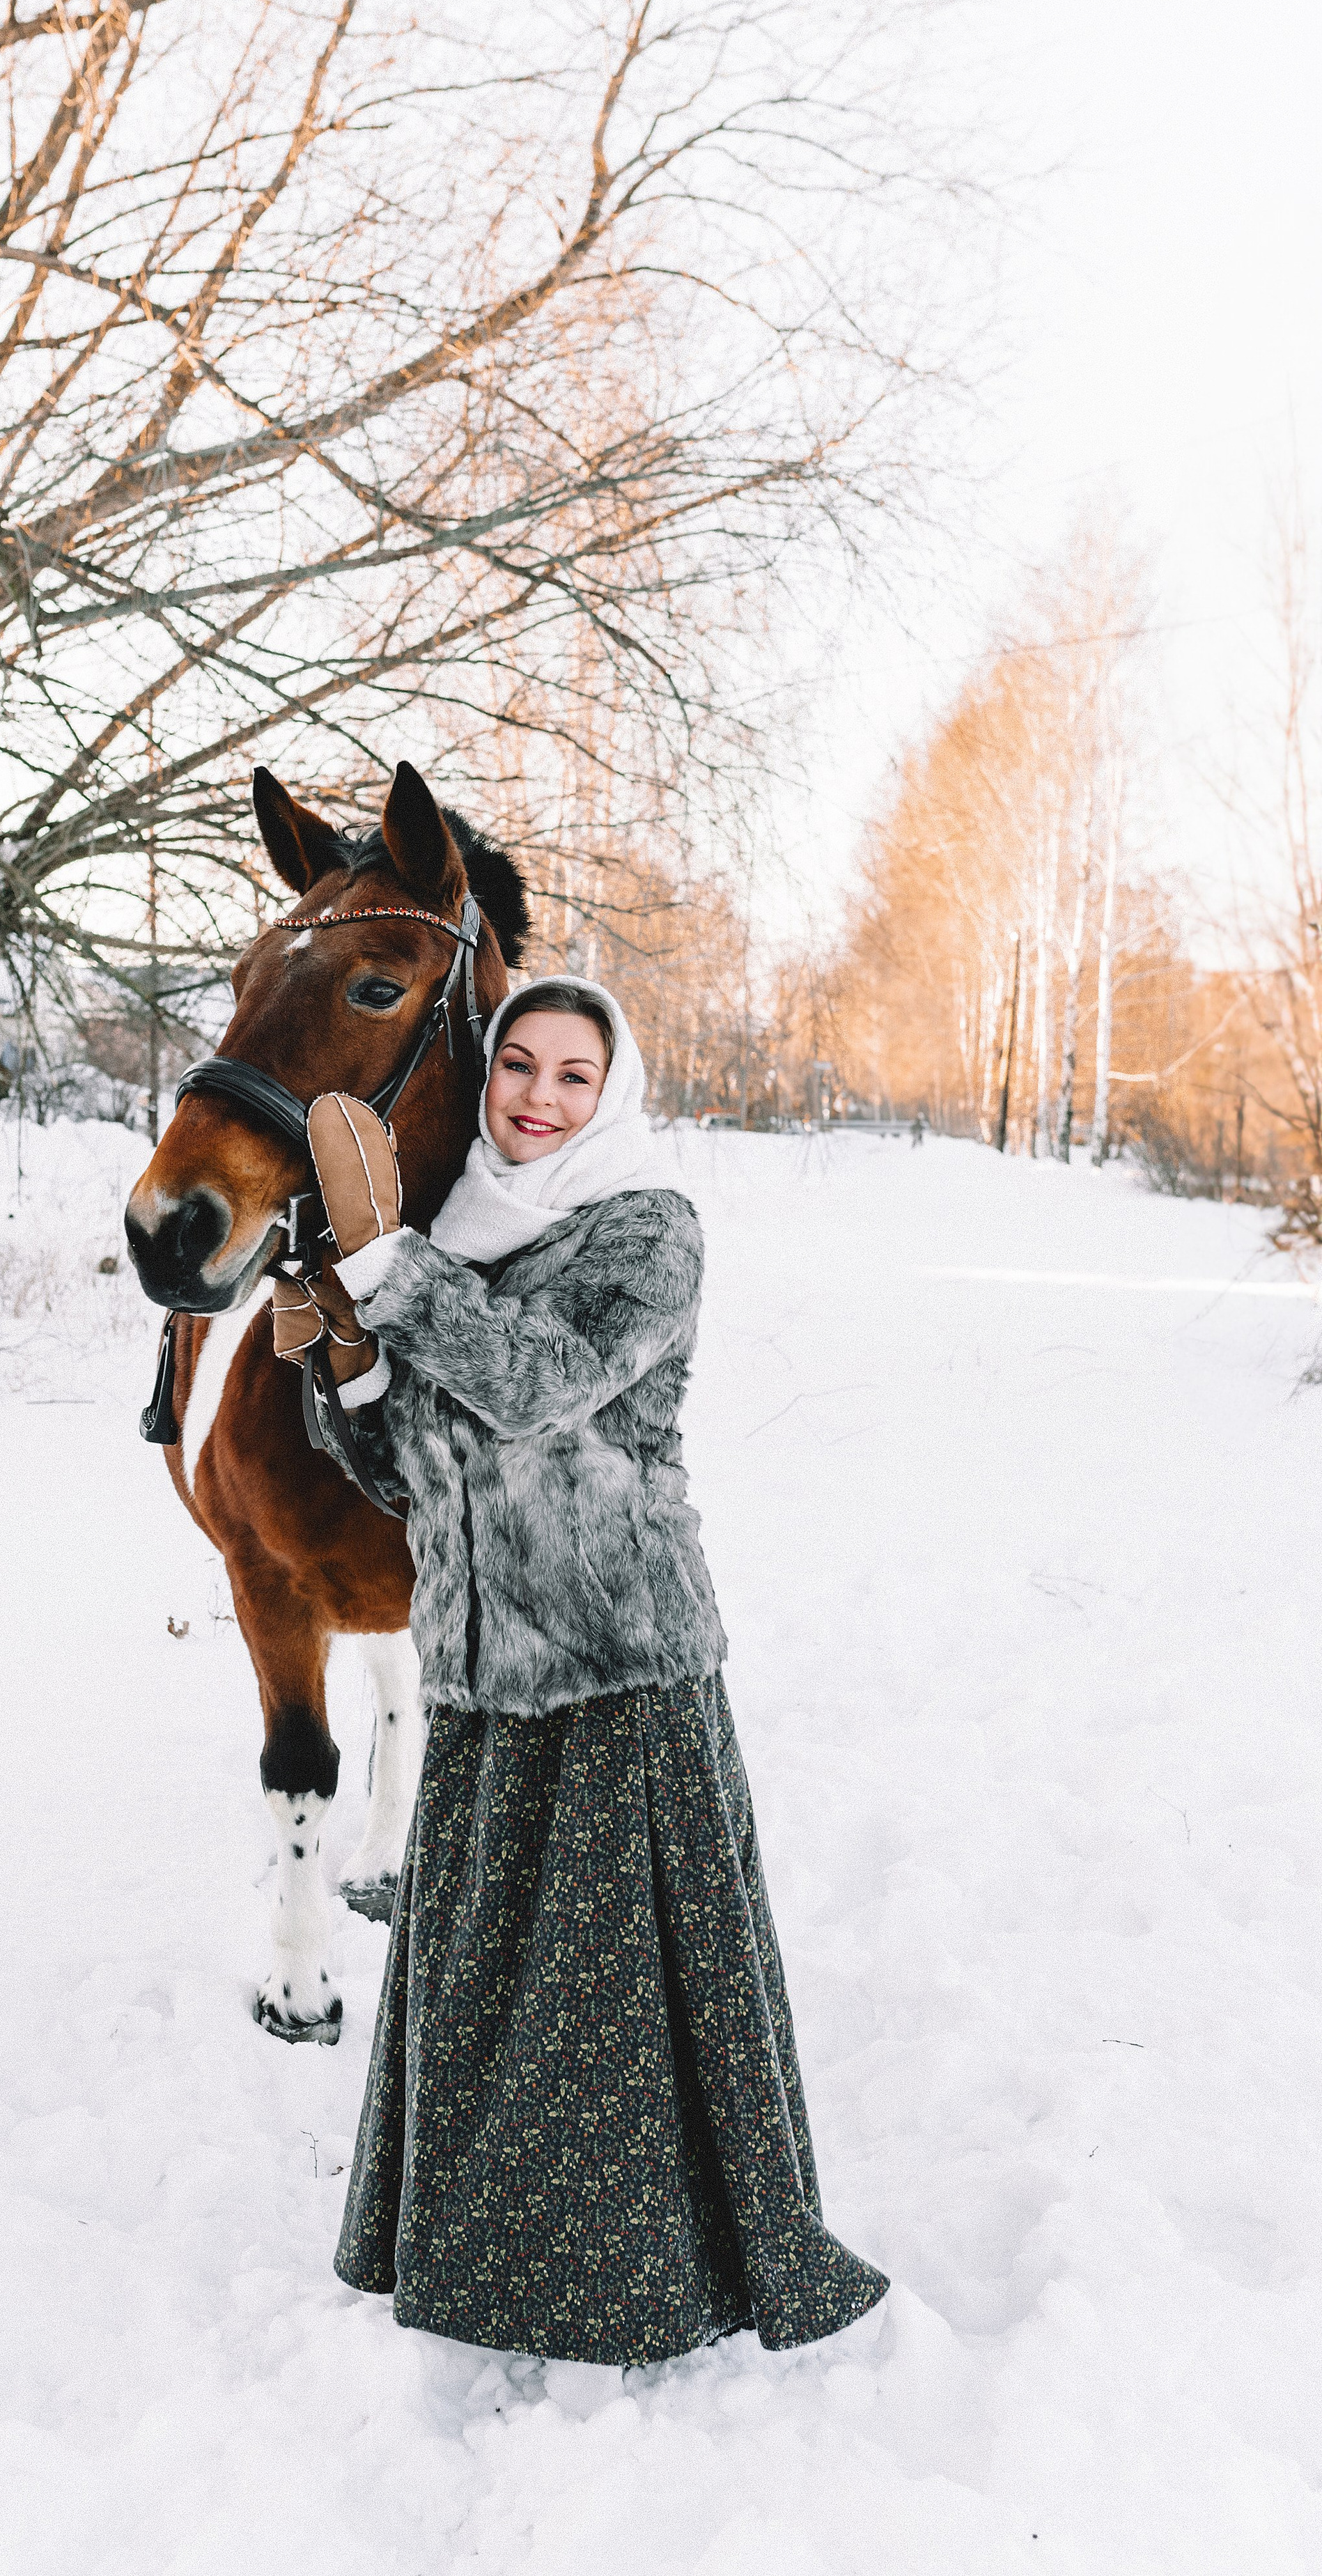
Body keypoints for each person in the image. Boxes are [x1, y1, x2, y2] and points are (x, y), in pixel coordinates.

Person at [273, 978, 887, 2369]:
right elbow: (414, 1479)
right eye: (518, 1069)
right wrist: (353, 1372)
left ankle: (643, 2286)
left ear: (610, 1092)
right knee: (489, 2000)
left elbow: (541, 1384)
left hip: (619, 1663)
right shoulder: (447, 1237)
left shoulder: (645, 1232)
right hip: (484, 1678)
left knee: (611, 2018)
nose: (538, 1097)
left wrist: (390, 1278)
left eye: (570, 1074)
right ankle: (482, 2265)